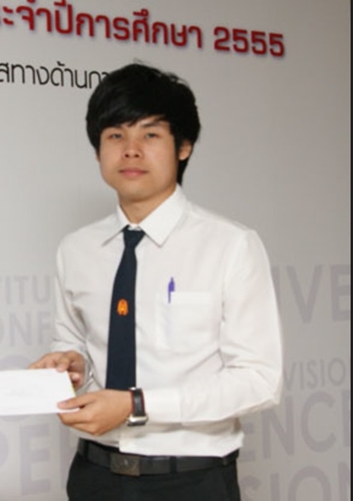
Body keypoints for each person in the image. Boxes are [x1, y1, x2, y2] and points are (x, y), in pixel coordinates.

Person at [31, 62, 283, 500]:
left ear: (183, 147)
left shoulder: (230, 245)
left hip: (190, 481)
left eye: (150, 135)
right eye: (115, 136)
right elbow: (74, 346)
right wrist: (70, 367)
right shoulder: (76, 249)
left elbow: (259, 380)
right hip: (94, 476)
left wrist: (136, 405)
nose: (131, 150)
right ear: (97, 150)